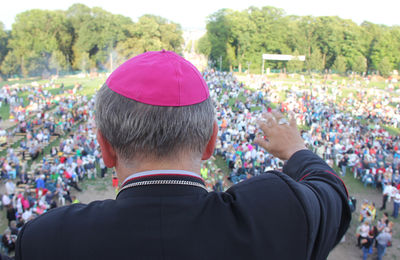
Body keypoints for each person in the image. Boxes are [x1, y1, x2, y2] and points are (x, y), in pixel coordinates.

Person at [15, 51, 351, 259]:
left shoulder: (48, 240)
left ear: (104, 148)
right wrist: (295, 149)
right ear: (211, 144)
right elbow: (333, 191)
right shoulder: (276, 214)